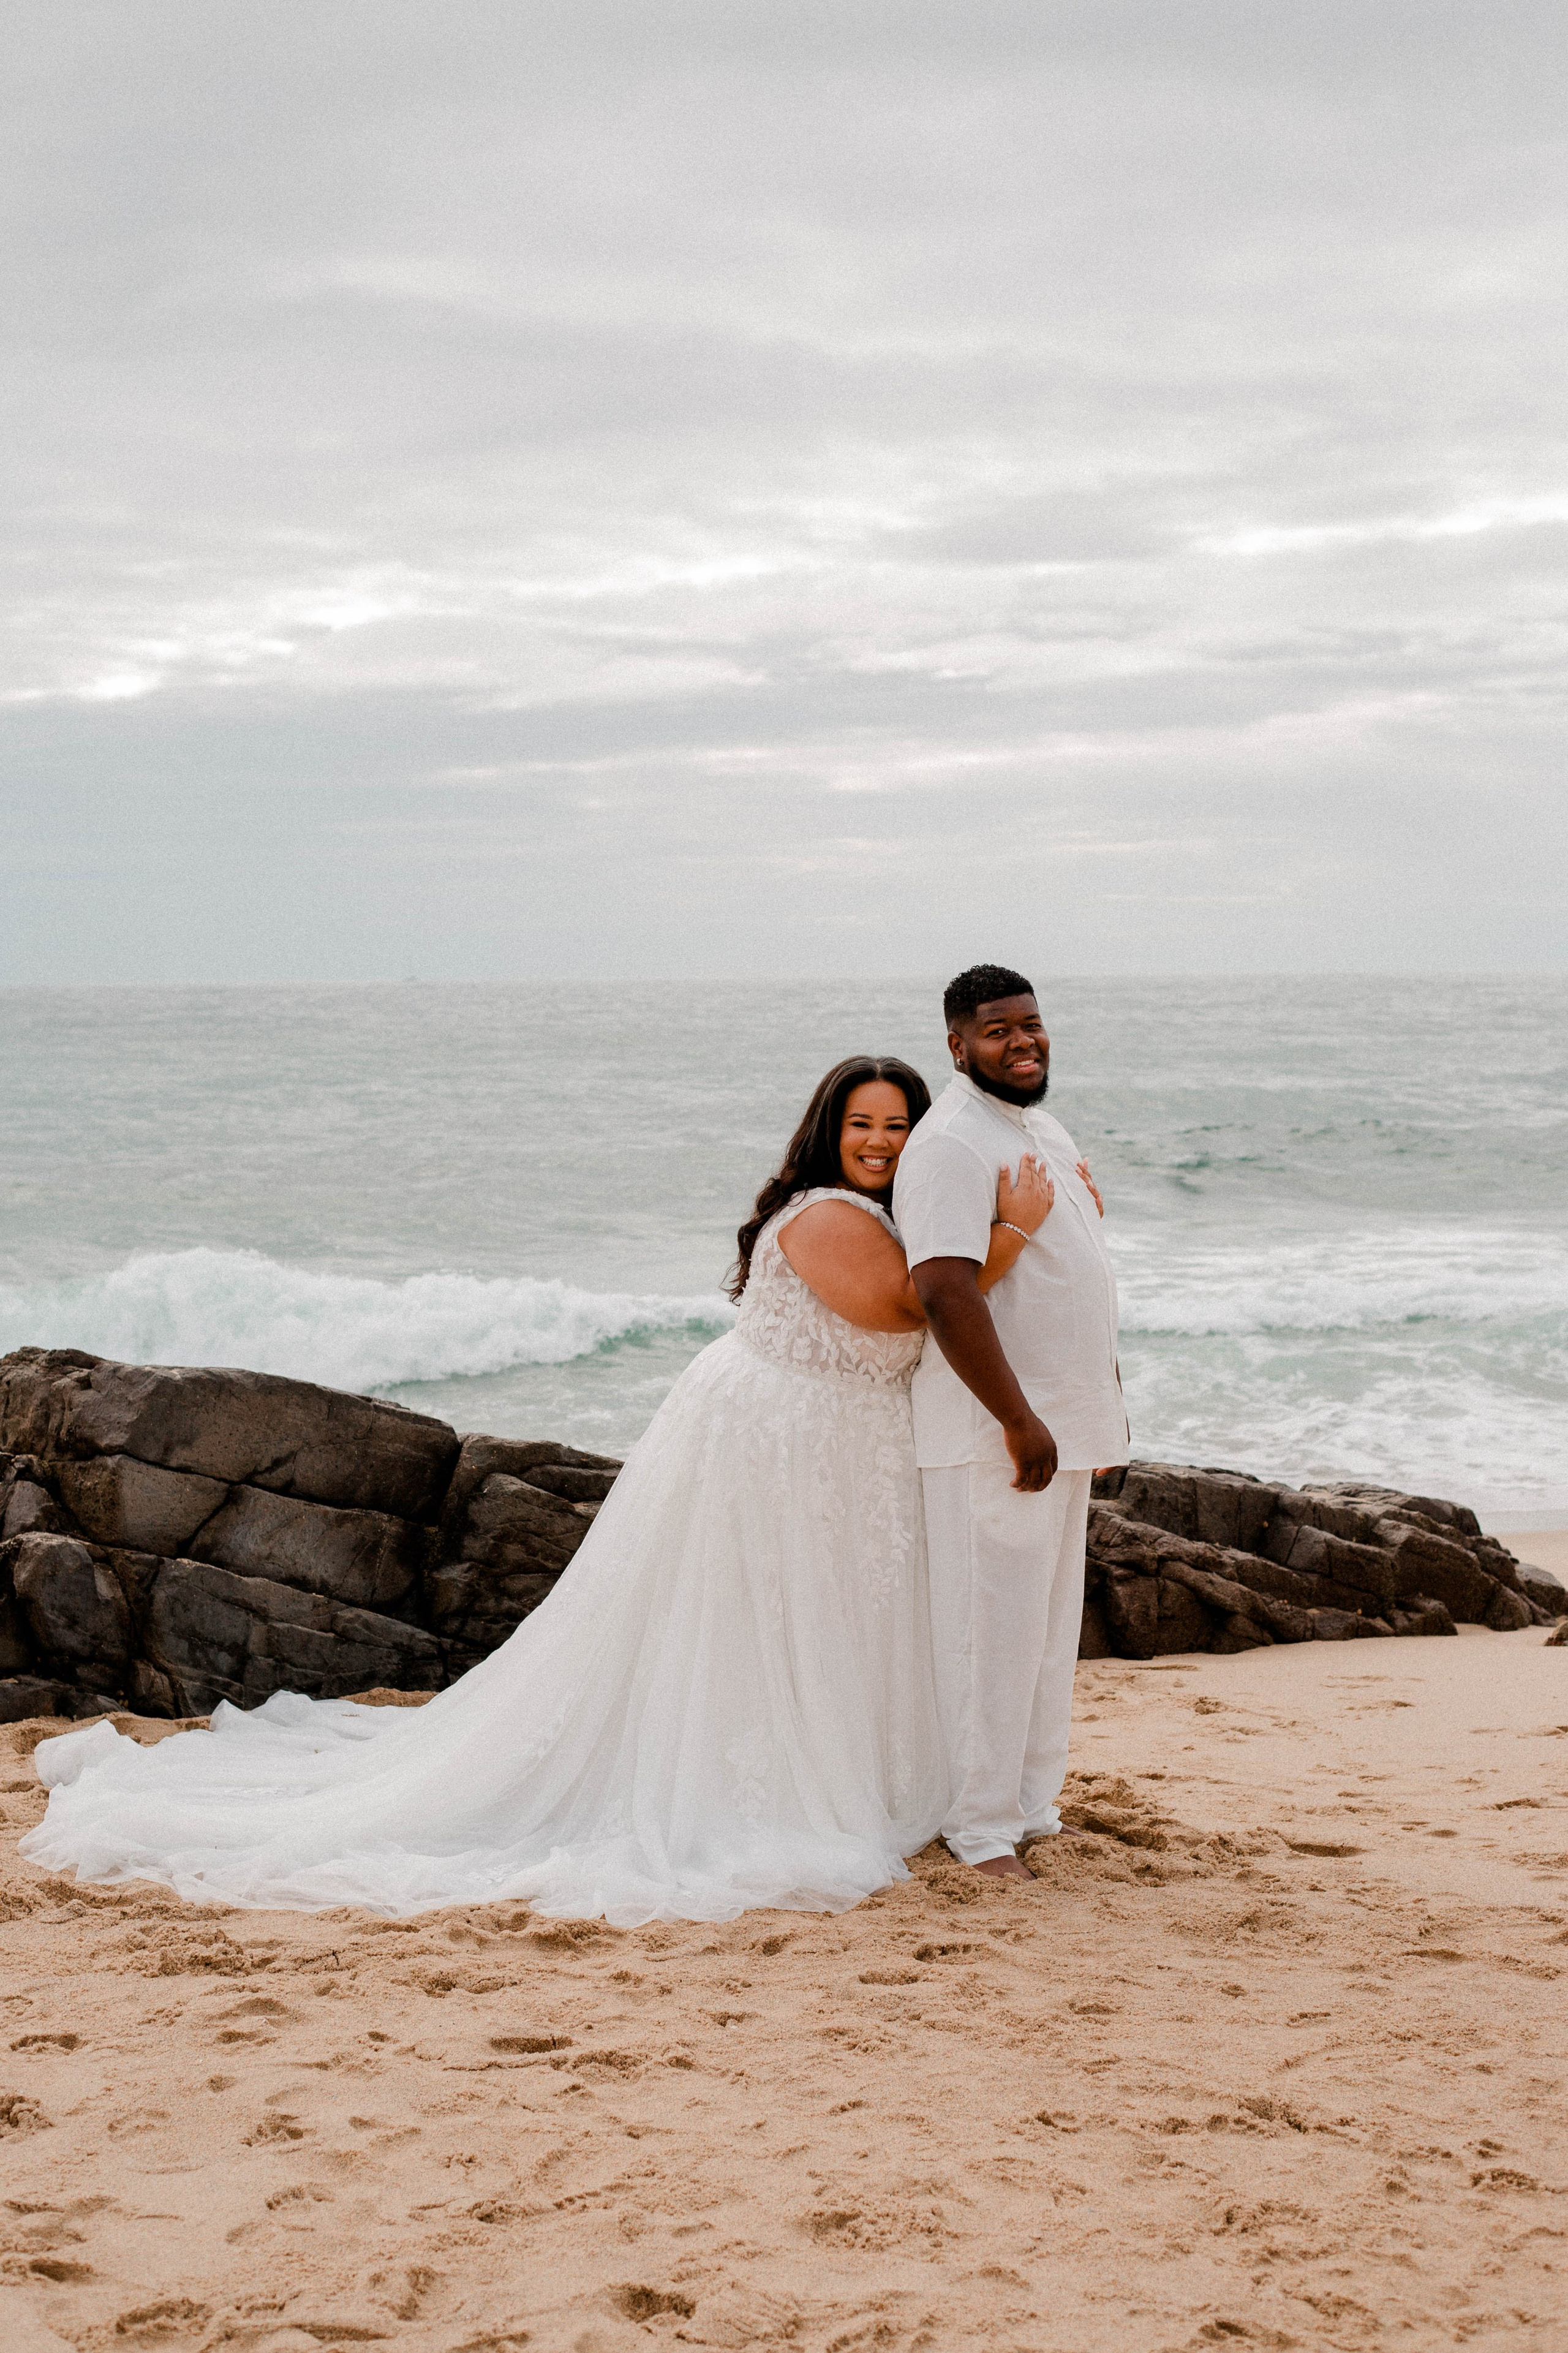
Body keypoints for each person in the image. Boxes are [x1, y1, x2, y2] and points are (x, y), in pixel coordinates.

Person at [24, 1056, 1052, 1928]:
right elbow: (905, 1305)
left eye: (899, 1126)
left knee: (818, 1621)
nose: (880, 1141)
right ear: (829, 1131)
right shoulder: (827, 1213)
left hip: (835, 1449)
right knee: (758, 1624)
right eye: (863, 1123)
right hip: (779, 1444)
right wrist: (1011, 1230)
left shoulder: (886, 1211)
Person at [893, 966, 1129, 1881]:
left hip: (1065, 1425)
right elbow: (944, 1290)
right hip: (992, 1433)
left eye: (1031, 1024)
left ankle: (1031, 1807)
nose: (1022, 1042)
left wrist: (1100, 1407)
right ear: (958, 1046)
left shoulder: (1041, 1128)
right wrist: (1018, 1418)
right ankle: (980, 1829)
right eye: (998, 1031)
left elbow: (1075, 1276)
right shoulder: (950, 1142)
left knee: (1043, 1637)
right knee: (987, 1638)